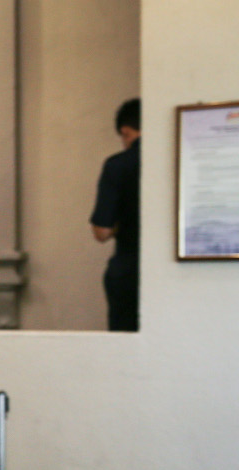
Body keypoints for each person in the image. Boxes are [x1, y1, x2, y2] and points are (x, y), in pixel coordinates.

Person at [90, 98, 141, 332]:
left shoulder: (118, 165)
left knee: (126, 342)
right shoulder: (176, 156)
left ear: (126, 131)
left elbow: (101, 231)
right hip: (174, 269)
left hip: (128, 269)